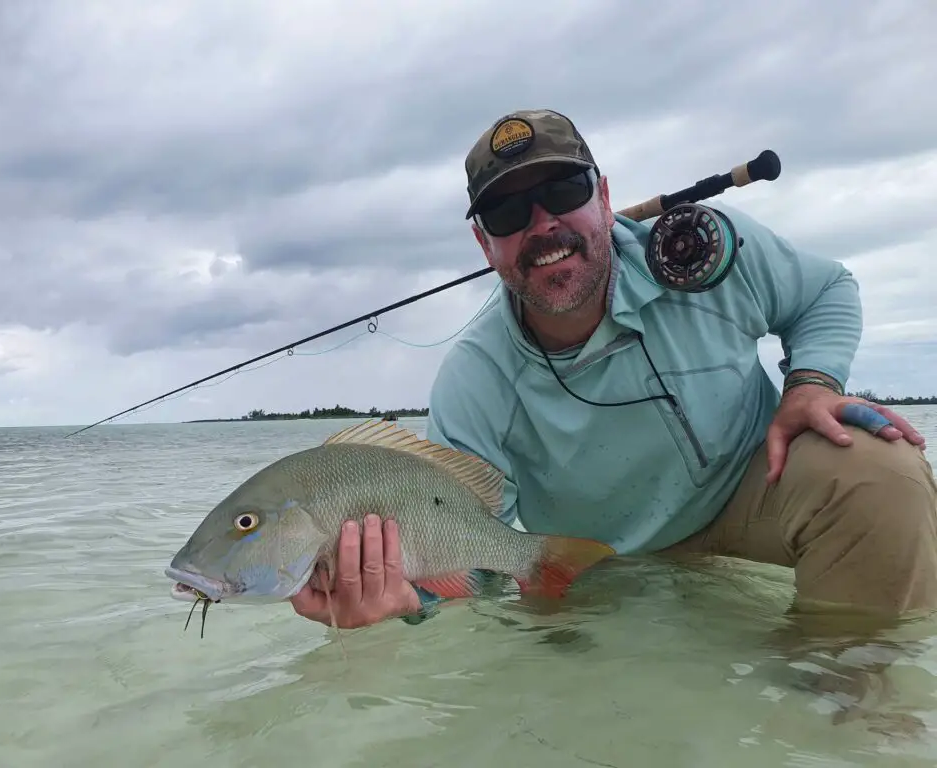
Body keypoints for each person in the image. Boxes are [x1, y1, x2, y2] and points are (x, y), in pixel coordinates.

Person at [290, 108, 935, 630]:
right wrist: (407, 604)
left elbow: (826, 292)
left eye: (562, 192)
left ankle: (846, 698)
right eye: (508, 214)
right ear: (485, 245)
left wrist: (811, 384)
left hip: (752, 486)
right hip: (600, 562)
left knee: (880, 472)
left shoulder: (705, 249)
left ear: (603, 197)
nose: (542, 225)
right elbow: (463, 547)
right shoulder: (473, 380)